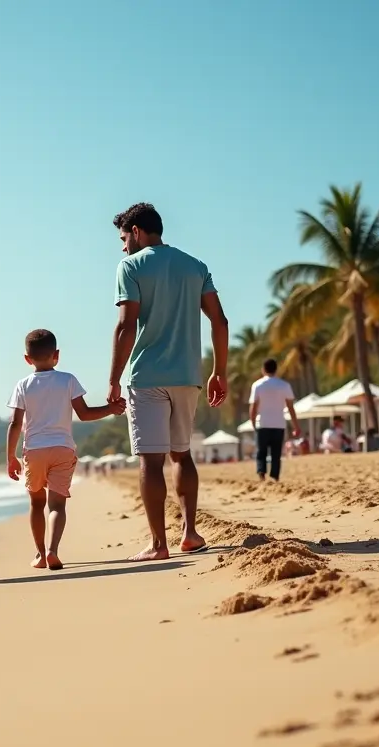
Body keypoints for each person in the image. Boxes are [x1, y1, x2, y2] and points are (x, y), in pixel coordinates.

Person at [107, 203, 229, 562]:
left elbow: (126, 326)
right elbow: (219, 322)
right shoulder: (196, 266)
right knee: (182, 453)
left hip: (147, 376)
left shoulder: (129, 266)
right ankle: (190, 533)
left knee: (150, 459)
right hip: (188, 375)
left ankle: (159, 544)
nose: (122, 246)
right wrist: (219, 371)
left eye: (123, 237)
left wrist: (113, 379)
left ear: (138, 232)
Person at [7, 329, 124, 570]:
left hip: (35, 450)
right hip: (62, 448)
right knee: (57, 506)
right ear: (56, 355)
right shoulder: (68, 380)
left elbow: (16, 424)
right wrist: (110, 409)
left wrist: (10, 456)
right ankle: (52, 551)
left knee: (37, 504)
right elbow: (85, 413)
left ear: (27, 359)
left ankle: (40, 554)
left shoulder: (23, 385)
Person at [248, 359, 299, 481]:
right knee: (276, 453)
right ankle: (275, 476)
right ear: (276, 370)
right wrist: (296, 425)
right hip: (279, 424)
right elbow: (290, 407)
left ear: (263, 369)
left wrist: (253, 422)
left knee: (262, 451)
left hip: (263, 423)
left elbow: (253, 407)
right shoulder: (284, 385)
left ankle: (261, 474)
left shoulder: (257, 385)